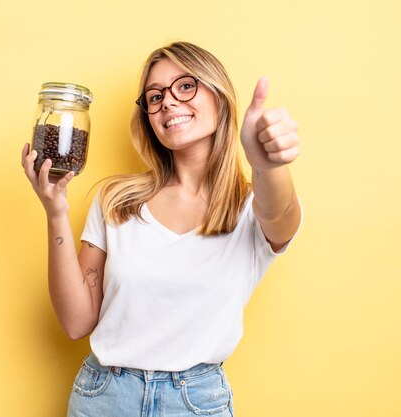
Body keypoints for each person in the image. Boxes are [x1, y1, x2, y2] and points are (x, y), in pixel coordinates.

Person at [21, 41, 302, 417]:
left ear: (218, 95)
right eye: (154, 97)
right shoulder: (117, 200)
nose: (167, 102)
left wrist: (266, 164)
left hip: (195, 403)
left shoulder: (251, 207)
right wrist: (55, 211)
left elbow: (281, 211)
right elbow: (75, 323)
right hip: (104, 397)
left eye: (185, 86)